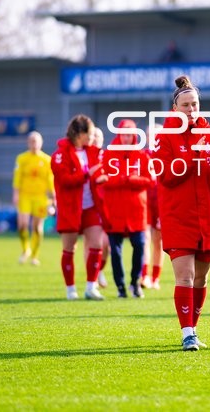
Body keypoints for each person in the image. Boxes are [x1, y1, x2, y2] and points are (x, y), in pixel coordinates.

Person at [153, 75, 210, 351]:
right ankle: (187, 333)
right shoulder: (164, 137)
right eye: (186, 105)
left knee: (201, 278)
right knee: (185, 276)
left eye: (195, 104)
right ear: (175, 108)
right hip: (178, 216)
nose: (191, 109)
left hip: (207, 216)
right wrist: (194, 155)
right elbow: (166, 175)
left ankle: (193, 329)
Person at [51, 115, 108, 300]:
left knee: (97, 245)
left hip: (91, 206)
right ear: (79, 134)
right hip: (70, 208)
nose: (92, 137)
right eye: (89, 134)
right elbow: (64, 180)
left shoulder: (93, 152)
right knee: (70, 249)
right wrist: (86, 174)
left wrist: (100, 178)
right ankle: (70, 289)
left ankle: (91, 287)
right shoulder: (60, 155)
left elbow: (99, 171)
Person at [102, 119, 151, 298]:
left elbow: (150, 180)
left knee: (140, 245)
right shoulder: (108, 155)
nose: (126, 138)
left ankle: (135, 282)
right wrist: (122, 179)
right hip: (114, 210)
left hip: (136, 210)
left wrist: (132, 180)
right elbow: (103, 180)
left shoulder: (142, 156)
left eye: (130, 135)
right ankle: (120, 286)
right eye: (124, 134)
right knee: (115, 251)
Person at [12, 131, 56, 265]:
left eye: (36, 141)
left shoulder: (47, 160)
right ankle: (25, 249)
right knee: (22, 225)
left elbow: (50, 180)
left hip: (41, 197)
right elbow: (17, 177)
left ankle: (35, 256)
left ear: (41, 143)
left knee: (37, 227)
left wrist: (54, 197)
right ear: (28, 143)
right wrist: (16, 194)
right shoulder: (21, 159)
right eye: (31, 141)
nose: (34, 144)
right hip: (25, 196)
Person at [141, 124, 164, 290]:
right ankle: (144, 276)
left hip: (162, 202)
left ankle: (156, 278)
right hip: (145, 201)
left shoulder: (166, 155)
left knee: (159, 241)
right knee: (145, 239)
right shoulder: (142, 155)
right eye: (150, 134)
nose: (153, 137)